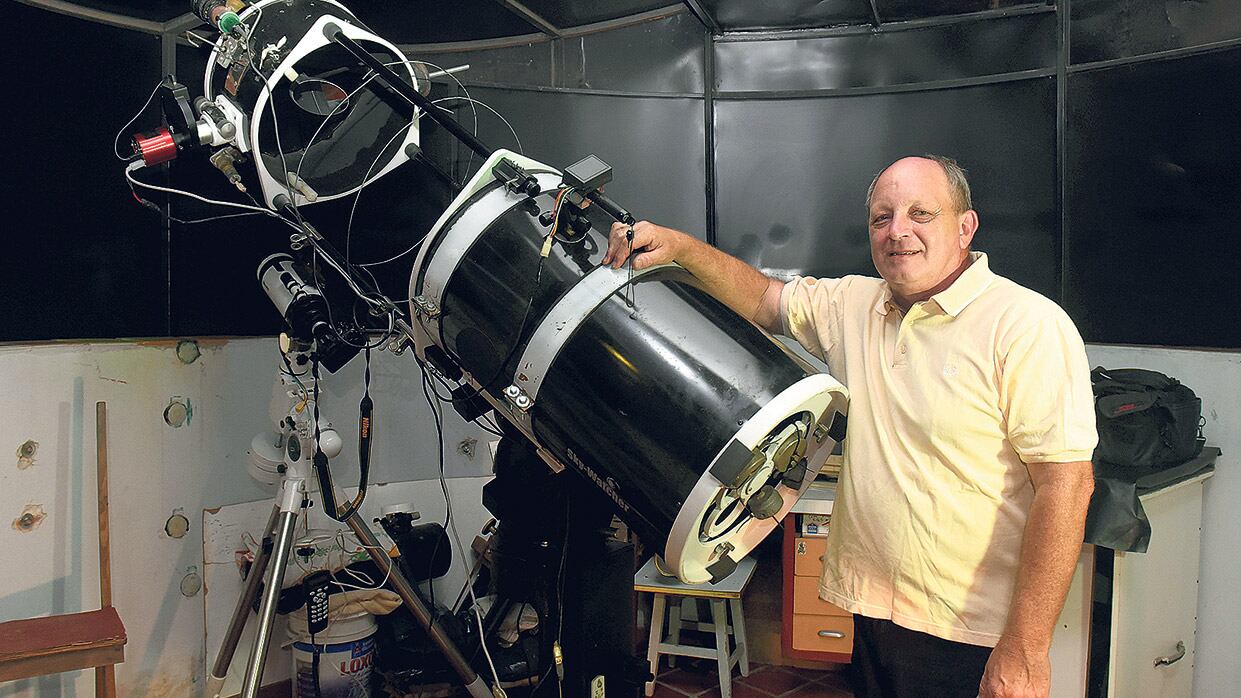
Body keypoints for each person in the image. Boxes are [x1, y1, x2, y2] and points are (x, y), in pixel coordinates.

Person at [601, 155, 1097, 698]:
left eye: (920, 213)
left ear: (965, 226)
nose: (897, 231)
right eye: (881, 218)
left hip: (968, 634)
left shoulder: (1026, 326)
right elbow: (767, 301)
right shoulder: (855, 304)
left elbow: (1066, 486)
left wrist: (1025, 649)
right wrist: (681, 248)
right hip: (876, 615)